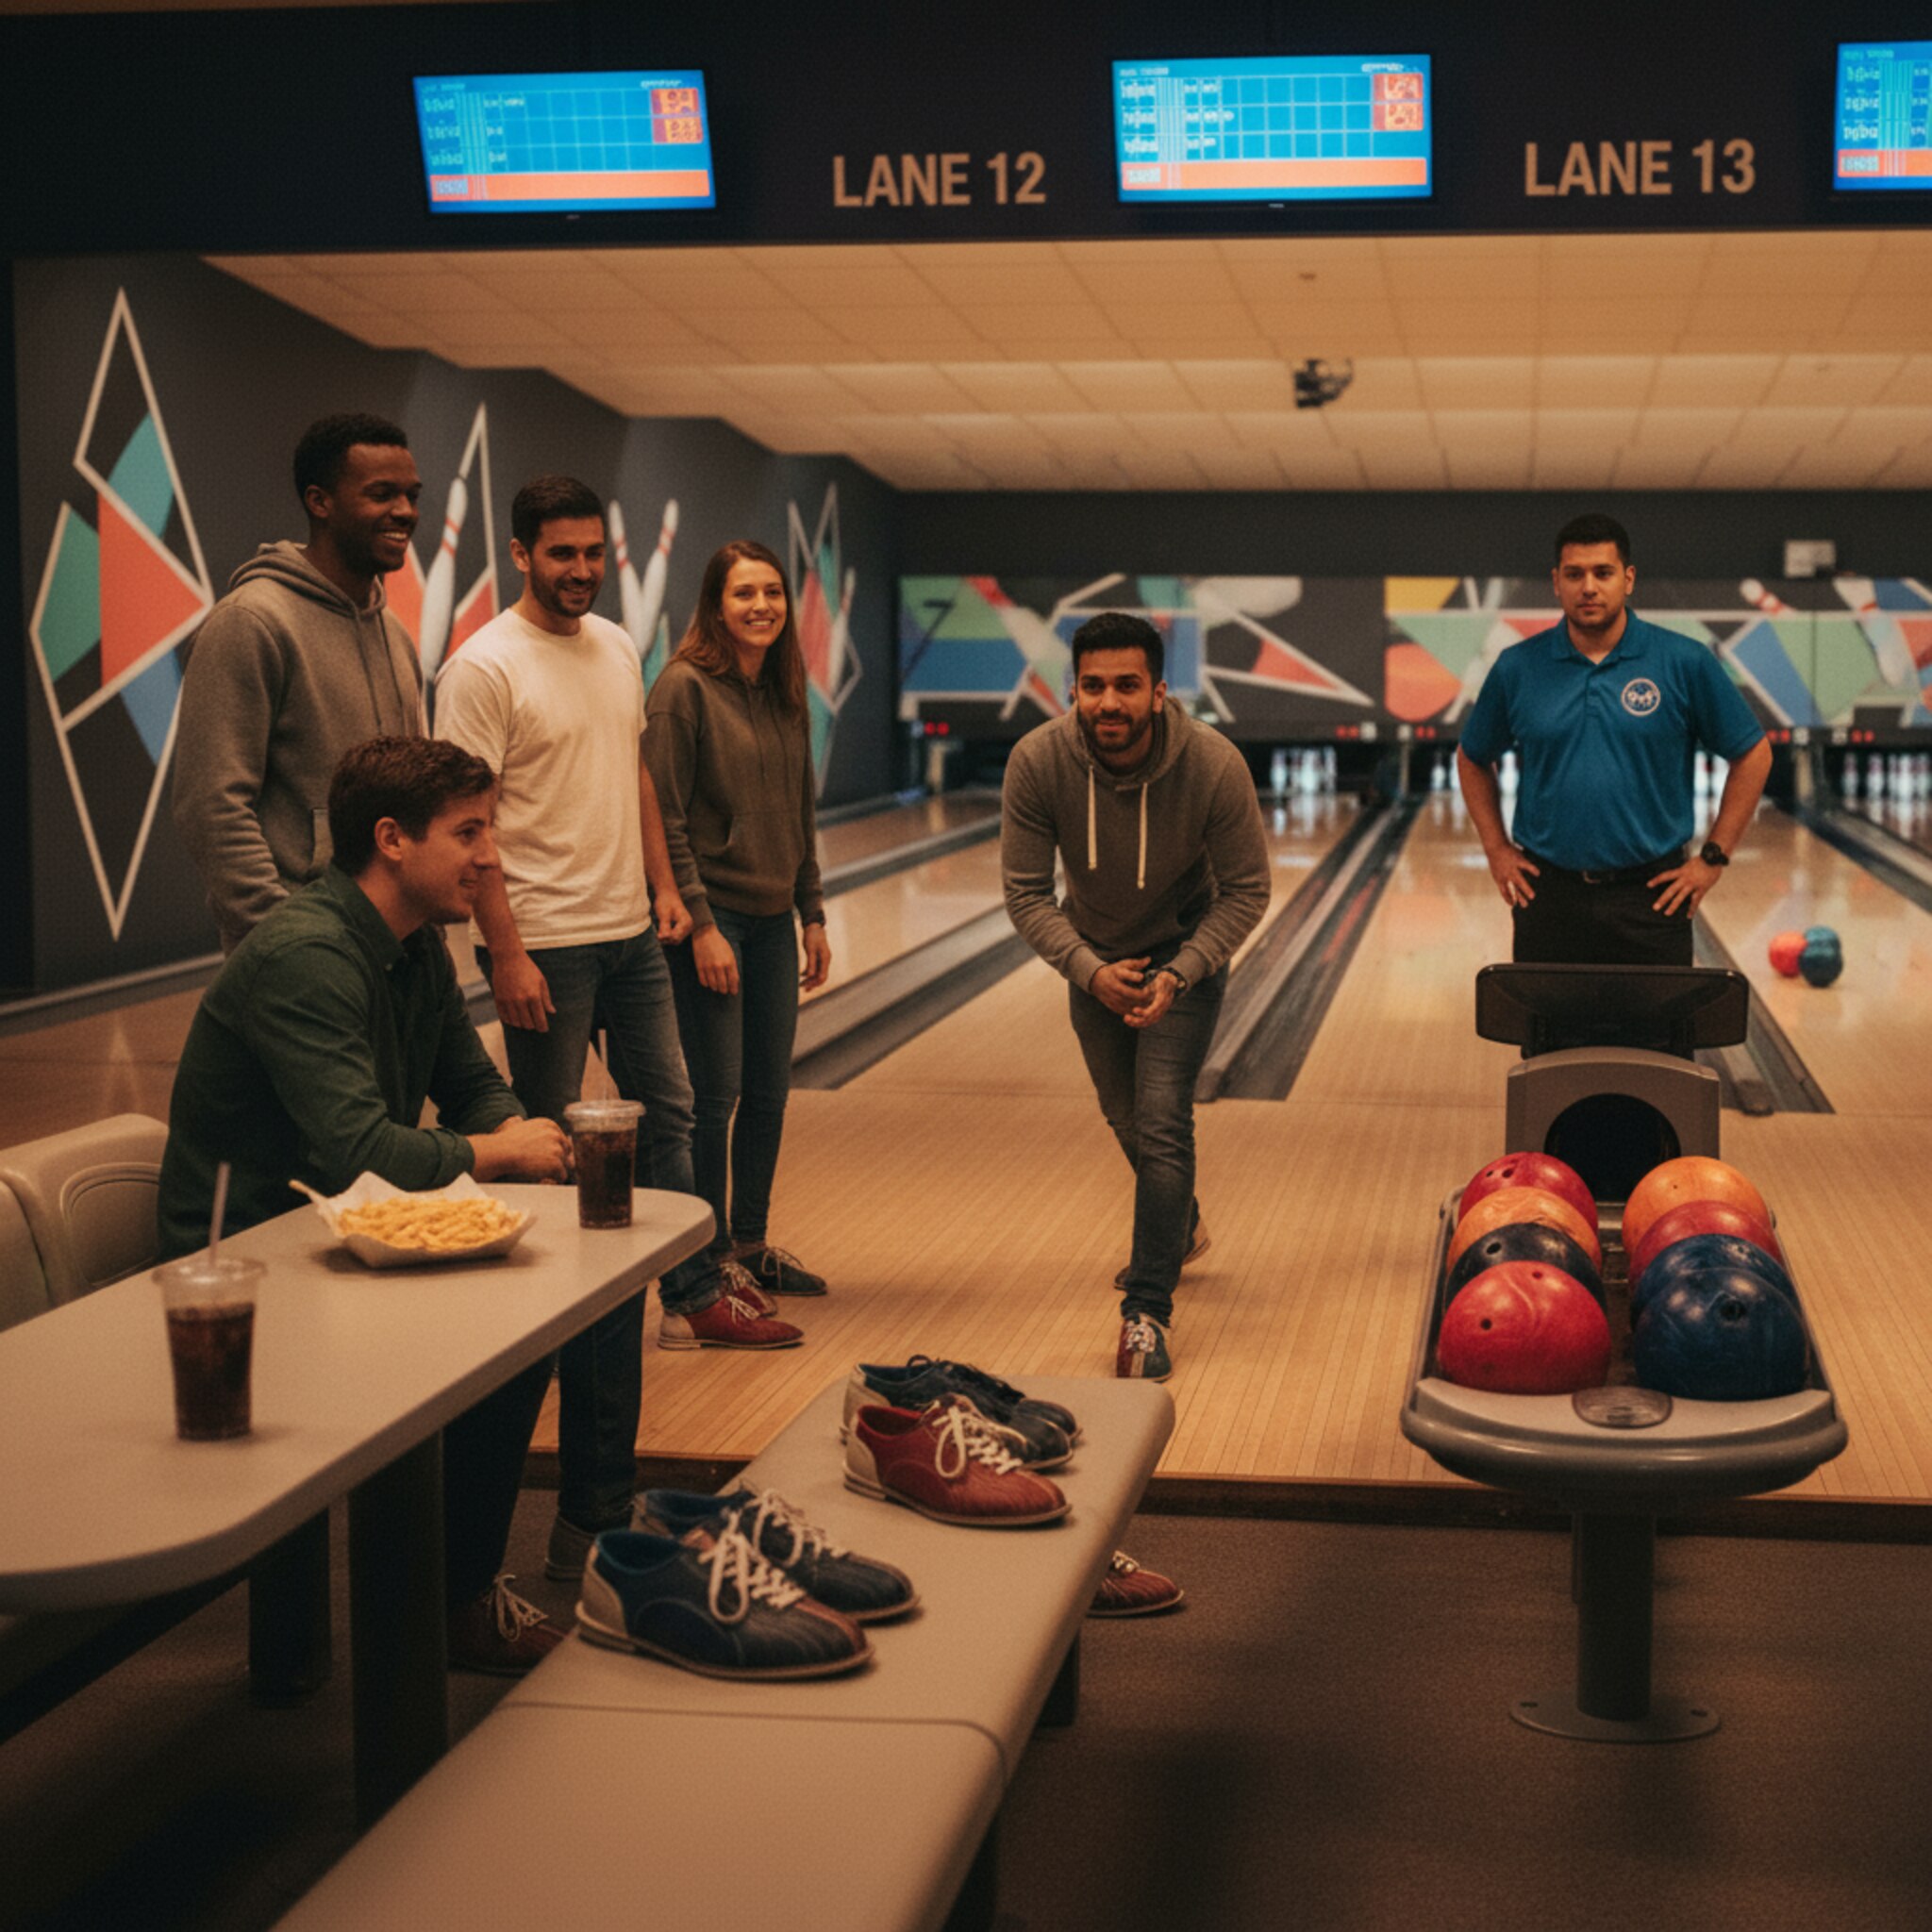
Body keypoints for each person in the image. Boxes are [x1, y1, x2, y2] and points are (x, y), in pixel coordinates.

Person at [434, 478, 800, 1585]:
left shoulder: (609, 645)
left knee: (676, 1107)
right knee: (556, 1160)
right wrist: (502, 948)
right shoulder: (484, 665)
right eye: (560, 552)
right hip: (542, 939)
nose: (581, 568)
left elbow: (636, 775)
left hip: (627, 929)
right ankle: (569, 1350)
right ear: (519, 552)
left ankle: (690, 1287)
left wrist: (663, 893)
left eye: (594, 551)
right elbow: (471, 820)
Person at [158, 737, 575, 1674]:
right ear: (391, 838)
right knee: (491, 1342)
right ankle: (439, 1604)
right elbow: (360, 1154)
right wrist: (502, 1150)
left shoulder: (414, 945)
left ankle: (452, 1591)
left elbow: (471, 1088)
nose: (490, 854)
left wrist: (514, 1140)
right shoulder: (307, 955)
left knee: (520, 1329)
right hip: (244, 1274)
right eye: (468, 831)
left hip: (339, 1241)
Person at [1002, 611, 1270, 1384]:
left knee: (1160, 1121)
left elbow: (1247, 891)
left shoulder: (1214, 765)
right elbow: (1026, 896)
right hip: (1093, 959)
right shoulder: (1036, 762)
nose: (1108, 702)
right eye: (1093, 686)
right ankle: (1176, 1220)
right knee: (1123, 1116)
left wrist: (1182, 970)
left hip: (1184, 960)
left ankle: (1146, 1309)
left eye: (1127, 686)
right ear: (1073, 690)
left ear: (1158, 691)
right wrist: (1089, 969)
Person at [643, 541, 832, 1306]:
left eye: (773, 594)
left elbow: (801, 810)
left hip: (774, 917)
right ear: (716, 605)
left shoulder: (787, 690)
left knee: (768, 1093)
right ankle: (707, 1251)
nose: (762, 607)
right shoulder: (683, 689)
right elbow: (666, 812)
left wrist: (812, 912)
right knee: (713, 1097)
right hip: (714, 920)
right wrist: (701, 921)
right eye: (745, 594)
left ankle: (750, 1244)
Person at [1457, 513, 1771, 967]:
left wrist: (1713, 858)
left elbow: (1753, 753)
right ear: (1556, 583)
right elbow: (1472, 758)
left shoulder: (1684, 661)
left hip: (1653, 898)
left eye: (1602, 573)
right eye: (1574, 574)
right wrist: (1497, 849)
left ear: (1628, 580)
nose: (1588, 587)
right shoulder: (1517, 668)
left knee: (1653, 1038)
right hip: (1548, 897)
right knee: (1553, 1037)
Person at [173, 413, 426, 953]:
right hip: (299, 947)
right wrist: (282, 936)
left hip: (395, 939)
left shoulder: (395, 634)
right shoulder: (251, 623)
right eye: (382, 494)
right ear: (320, 502)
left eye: (410, 494)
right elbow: (212, 804)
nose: (404, 512)